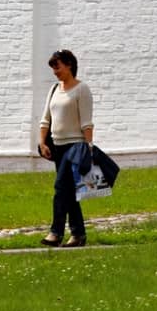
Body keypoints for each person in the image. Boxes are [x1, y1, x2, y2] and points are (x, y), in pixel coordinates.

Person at [36, 49, 93, 247]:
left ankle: (56, 232)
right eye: (52, 67)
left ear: (69, 64)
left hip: (75, 145)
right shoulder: (54, 89)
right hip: (57, 147)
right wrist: (42, 142)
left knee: (61, 188)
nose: (55, 71)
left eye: (57, 66)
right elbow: (45, 119)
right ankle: (78, 235)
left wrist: (89, 147)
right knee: (69, 192)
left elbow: (87, 122)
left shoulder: (81, 89)